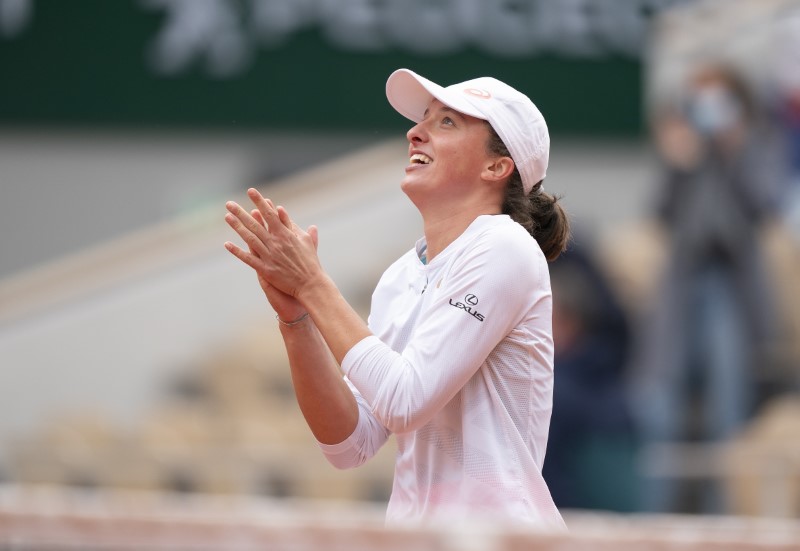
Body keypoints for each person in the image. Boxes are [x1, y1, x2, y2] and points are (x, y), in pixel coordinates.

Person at [223, 68, 570, 528]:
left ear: (496, 167)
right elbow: (350, 445)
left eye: (446, 122)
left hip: (500, 538)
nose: (414, 132)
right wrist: (298, 321)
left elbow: (404, 400)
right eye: (424, 118)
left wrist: (313, 284)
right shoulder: (401, 276)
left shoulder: (505, 247)